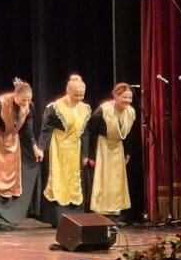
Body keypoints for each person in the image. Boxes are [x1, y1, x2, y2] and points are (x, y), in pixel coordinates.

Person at [0, 77, 43, 230]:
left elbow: (28, 130)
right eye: (23, 100)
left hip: (12, 143)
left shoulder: (28, 107)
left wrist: (35, 148)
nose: (26, 103)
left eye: (29, 100)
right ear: (15, 95)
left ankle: (9, 216)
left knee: (10, 180)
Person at [39, 74, 91, 224]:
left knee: (73, 180)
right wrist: (41, 148)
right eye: (76, 95)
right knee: (58, 179)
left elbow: (84, 132)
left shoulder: (85, 109)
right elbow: (46, 130)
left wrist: (85, 154)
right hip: (58, 148)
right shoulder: (55, 108)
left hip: (74, 149)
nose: (79, 98)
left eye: (82, 95)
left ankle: (75, 215)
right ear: (68, 92)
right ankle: (57, 216)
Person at [87, 82, 137, 217]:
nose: (127, 101)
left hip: (118, 147)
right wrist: (90, 154)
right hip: (103, 146)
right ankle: (101, 208)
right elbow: (90, 132)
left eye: (130, 98)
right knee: (103, 178)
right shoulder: (103, 111)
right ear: (115, 96)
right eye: (124, 97)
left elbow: (128, 135)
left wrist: (127, 152)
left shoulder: (131, 112)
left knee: (116, 180)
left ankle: (115, 208)